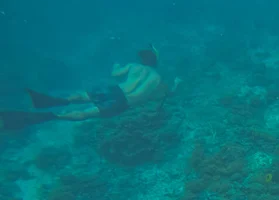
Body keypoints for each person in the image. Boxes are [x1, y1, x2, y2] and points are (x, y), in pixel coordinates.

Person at [0, 44, 181, 130]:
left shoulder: (135, 67)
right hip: (124, 103)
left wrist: (116, 65)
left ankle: (57, 100)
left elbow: (115, 73)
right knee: (86, 113)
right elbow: (168, 95)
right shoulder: (159, 81)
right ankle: (52, 115)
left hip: (115, 90)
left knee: (83, 96)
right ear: (156, 62)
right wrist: (177, 84)